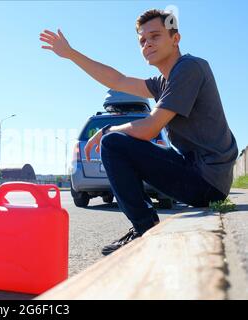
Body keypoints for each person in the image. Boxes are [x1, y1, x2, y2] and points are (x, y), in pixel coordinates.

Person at [40, 9, 238, 255]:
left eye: (155, 36)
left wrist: (106, 131)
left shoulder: (190, 68)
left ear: (175, 39)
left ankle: (144, 226)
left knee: (113, 142)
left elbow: (149, 128)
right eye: (142, 41)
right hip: (199, 175)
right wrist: (70, 54)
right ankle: (144, 225)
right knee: (115, 140)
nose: (147, 44)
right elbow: (118, 81)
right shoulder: (165, 82)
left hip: (207, 180)